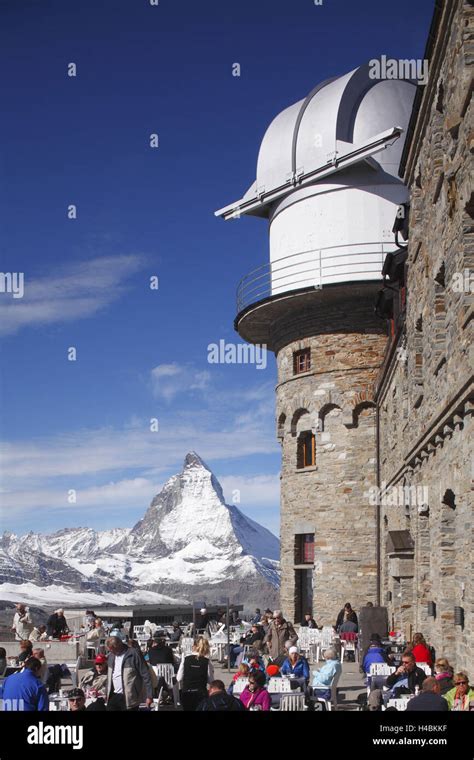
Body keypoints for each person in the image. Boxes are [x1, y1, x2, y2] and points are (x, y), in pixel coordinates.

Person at [105, 635, 153, 711]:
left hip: (129, 697)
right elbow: (109, 676)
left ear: (118, 646)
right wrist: (106, 692)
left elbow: (146, 675)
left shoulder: (134, 654)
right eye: (110, 650)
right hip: (113, 695)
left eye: (112, 650)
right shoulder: (111, 656)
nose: (111, 652)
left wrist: (149, 696)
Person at [177, 637, 214, 711]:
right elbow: (211, 681)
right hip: (201, 693)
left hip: (187, 693)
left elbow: (179, 678)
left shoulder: (185, 659)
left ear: (193, 646)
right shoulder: (207, 662)